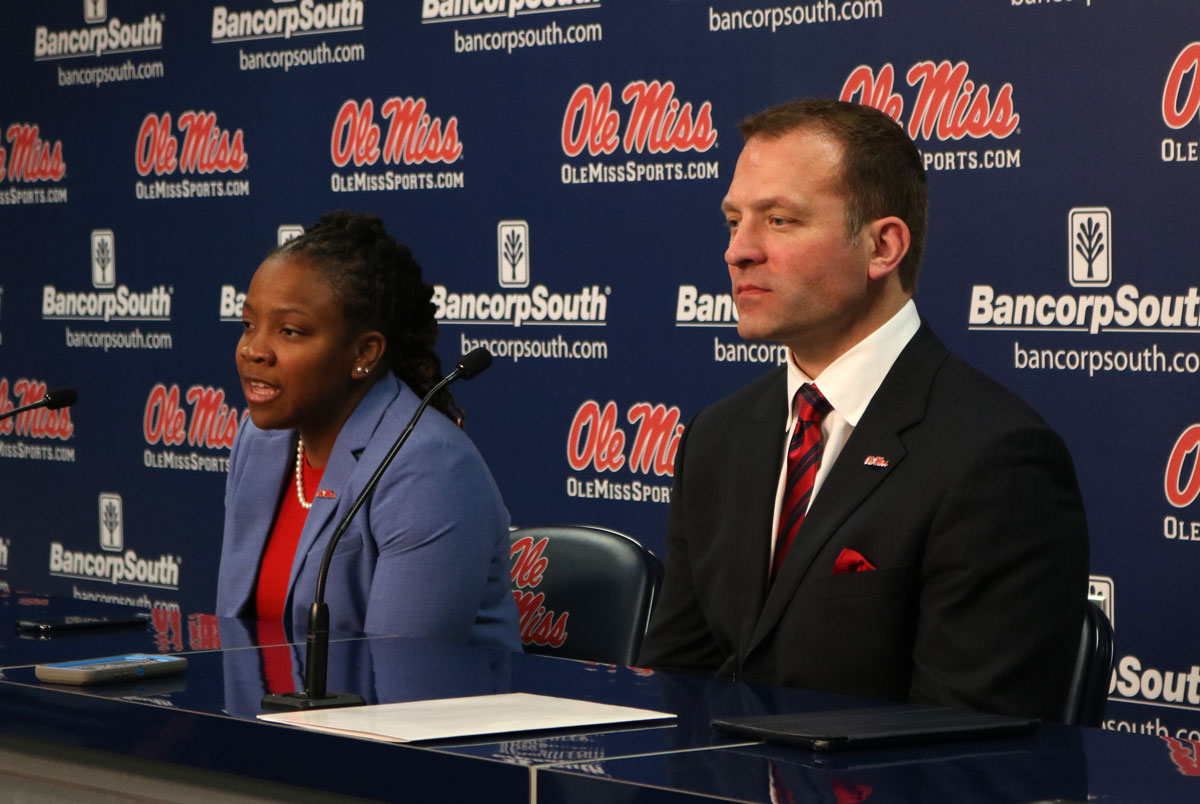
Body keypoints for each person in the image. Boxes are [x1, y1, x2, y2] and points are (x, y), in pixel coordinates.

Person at [637, 99, 1089, 720]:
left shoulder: (996, 456)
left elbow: (970, 753)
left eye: (780, 221)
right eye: (733, 221)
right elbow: (676, 695)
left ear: (883, 246)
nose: (738, 252)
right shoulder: (716, 438)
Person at [216, 210, 521, 651]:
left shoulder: (427, 468)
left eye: (290, 331)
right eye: (248, 324)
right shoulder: (259, 441)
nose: (253, 350)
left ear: (364, 353)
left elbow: (399, 678)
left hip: (410, 713)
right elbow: (236, 642)